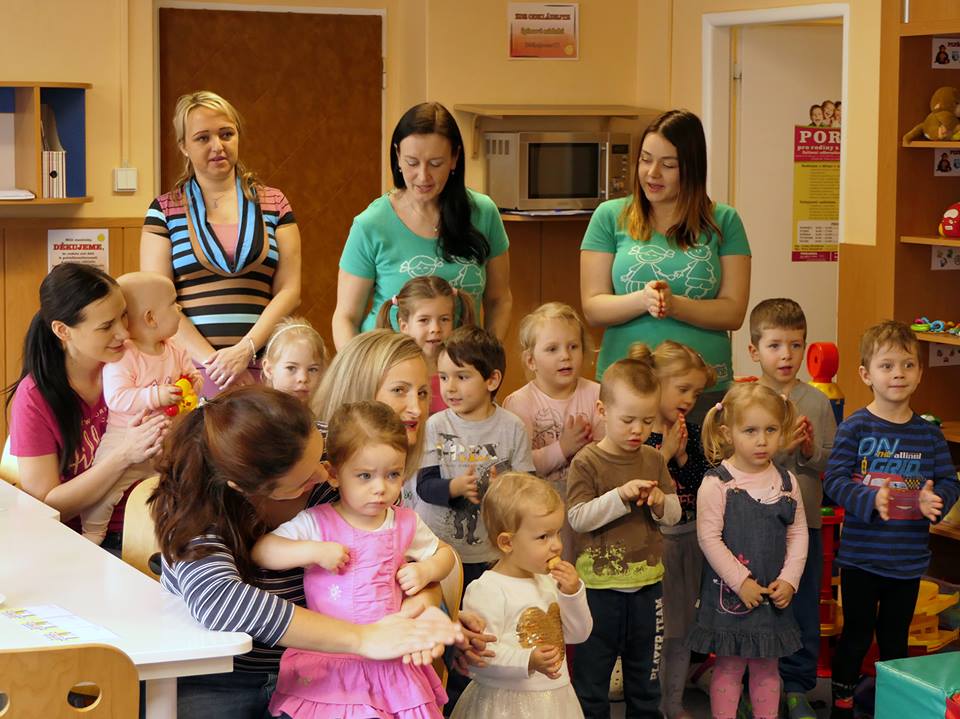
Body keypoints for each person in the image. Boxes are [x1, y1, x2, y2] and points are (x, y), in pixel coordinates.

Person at [150, 385, 464, 719]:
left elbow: (400, 551)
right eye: (303, 478)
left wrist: (425, 607)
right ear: (246, 489)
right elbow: (220, 601)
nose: (324, 474)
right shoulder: (196, 507)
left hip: (335, 674)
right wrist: (363, 638)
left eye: (322, 458)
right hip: (224, 677)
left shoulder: (338, 453)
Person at [252, 401, 455, 718]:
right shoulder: (317, 522)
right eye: (365, 476)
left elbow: (445, 555)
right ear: (334, 474)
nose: (380, 488)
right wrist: (312, 551)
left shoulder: (405, 522)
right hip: (331, 659)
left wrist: (427, 569)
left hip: (391, 660)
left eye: (393, 474)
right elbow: (263, 551)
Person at [823, 321, 960, 719]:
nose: (898, 373)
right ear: (866, 374)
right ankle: (842, 706)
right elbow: (834, 481)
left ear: (919, 372)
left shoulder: (929, 435)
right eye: (887, 366)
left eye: (907, 364)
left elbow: (949, 482)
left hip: (907, 562)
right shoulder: (855, 427)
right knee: (856, 636)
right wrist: (870, 498)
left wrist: (937, 500)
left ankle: (892, 706)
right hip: (861, 559)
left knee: (895, 640)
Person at [579, 109, 751, 424]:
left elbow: (734, 312)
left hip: (701, 389)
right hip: (628, 386)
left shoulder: (724, 220)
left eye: (668, 165)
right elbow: (592, 307)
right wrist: (643, 300)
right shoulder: (609, 216)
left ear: (692, 168)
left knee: (701, 457)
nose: (652, 173)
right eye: (645, 160)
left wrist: (676, 306)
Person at [141, 90, 301, 397]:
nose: (218, 146)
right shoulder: (164, 210)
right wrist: (215, 365)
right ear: (183, 146)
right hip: (191, 369)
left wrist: (245, 350)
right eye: (203, 138)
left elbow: (289, 291)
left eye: (226, 134)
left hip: (263, 364)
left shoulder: (274, 202)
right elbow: (157, 301)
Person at [6, 263, 167, 553]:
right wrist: (124, 455)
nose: (124, 334)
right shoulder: (34, 398)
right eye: (106, 326)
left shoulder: (133, 364)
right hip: (84, 541)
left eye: (124, 316)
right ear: (62, 331)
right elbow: (44, 507)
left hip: (154, 522)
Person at [333, 102, 513, 348]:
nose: (423, 176)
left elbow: (499, 300)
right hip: (390, 366)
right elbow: (346, 318)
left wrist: (488, 359)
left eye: (435, 163)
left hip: (462, 366)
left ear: (454, 158)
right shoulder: (371, 224)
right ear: (397, 156)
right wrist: (359, 370)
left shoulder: (483, 213)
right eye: (412, 162)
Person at [566, 356, 681, 718]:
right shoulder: (586, 461)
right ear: (603, 411)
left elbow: (674, 515)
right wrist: (619, 496)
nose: (638, 430)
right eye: (628, 420)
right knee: (591, 683)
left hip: (648, 589)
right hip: (599, 591)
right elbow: (577, 518)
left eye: (647, 421)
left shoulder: (653, 459)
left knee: (646, 683)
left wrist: (661, 503)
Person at [688, 383, 808, 719]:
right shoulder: (717, 483)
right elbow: (709, 539)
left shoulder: (787, 482)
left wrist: (790, 579)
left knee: (768, 668)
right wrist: (741, 582)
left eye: (771, 430)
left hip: (772, 594)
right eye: (750, 431)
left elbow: (798, 533)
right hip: (731, 596)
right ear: (728, 432)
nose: (762, 440)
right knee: (729, 667)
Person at [746, 298, 837, 719]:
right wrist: (780, 447)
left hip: (805, 527)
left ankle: (798, 686)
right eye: (775, 345)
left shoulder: (816, 401)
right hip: (756, 527)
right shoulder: (746, 400)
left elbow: (830, 462)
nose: (786, 355)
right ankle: (753, 686)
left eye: (796, 345)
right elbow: (736, 462)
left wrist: (808, 449)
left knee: (801, 607)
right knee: (757, 608)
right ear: (754, 351)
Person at [451, 473, 592, 719]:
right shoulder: (488, 589)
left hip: (556, 702)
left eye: (558, 533)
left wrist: (572, 594)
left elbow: (578, 634)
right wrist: (527, 660)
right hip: (505, 705)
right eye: (543, 537)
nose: (557, 545)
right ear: (507, 542)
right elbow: (480, 658)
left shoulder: (549, 581)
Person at [628, 340, 714, 719]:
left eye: (696, 392)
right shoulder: (639, 435)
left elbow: (706, 486)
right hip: (654, 545)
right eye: (683, 389)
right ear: (655, 382)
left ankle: (673, 701)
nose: (690, 399)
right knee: (654, 631)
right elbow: (636, 488)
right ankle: (648, 702)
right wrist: (664, 455)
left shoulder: (693, 434)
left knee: (682, 631)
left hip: (690, 542)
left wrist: (682, 456)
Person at [416, 325, 535, 590]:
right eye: (443, 377)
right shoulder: (435, 426)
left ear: (492, 380)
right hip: (440, 551)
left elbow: (528, 488)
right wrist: (454, 487)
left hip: (492, 551)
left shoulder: (512, 427)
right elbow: (424, 486)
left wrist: (503, 488)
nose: (450, 387)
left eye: (462, 376)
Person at [88, 272, 201, 545]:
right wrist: (156, 396)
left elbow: (192, 376)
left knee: (171, 489)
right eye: (173, 303)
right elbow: (117, 398)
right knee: (104, 491)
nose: (180, 308)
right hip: (123, 437)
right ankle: (92, 532)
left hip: (165, 440)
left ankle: (162, 537)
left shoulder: (174, 349)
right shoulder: (124, 355)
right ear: (151, 318)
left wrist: (193, 382)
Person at [502, 301, 604, 560]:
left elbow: (608, 455)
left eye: (573, 346)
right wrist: (563, 448)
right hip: (540, 511)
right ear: (531, 360)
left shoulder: (597, 394)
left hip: (589, 502)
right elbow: (520, 468)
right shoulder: (519, 403)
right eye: (552, 349)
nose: (565, 356)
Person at [313, 330, 431, 507]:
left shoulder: (386, 489)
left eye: (422, 393)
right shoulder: (310, 458)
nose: (417, 410)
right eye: (399, 390)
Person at [375, 275, 477, 415]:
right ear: (404, 326)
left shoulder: (464, 367)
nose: (435, 329)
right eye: (424, 320)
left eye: (444, 319)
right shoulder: (391, 370)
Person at [261, 316, 328, 408]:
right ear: (269, 369)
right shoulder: (257, 415)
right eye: (291, 368)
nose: (303, 378)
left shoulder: (326, 413)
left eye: (312, 369)